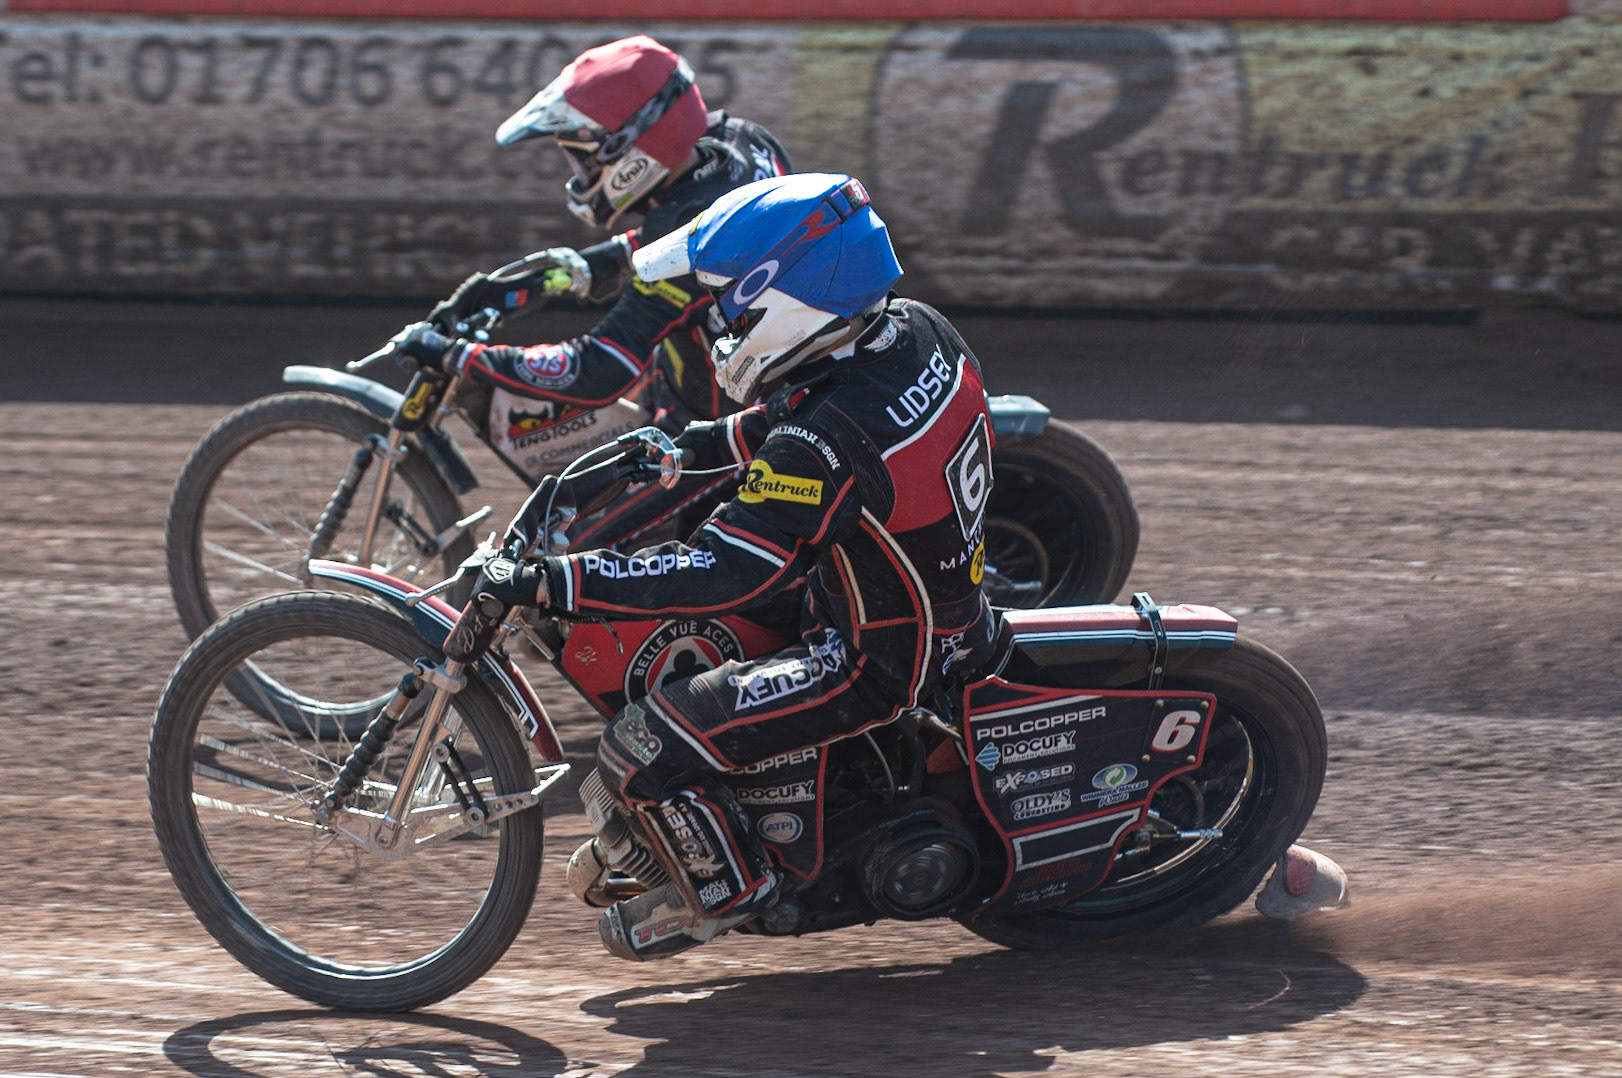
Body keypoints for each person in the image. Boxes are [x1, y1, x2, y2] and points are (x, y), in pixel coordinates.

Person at [468, 172, 999, 960]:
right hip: (937, 607)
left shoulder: (825, 440)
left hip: (872, 662)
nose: (722, 321)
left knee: (637, 744)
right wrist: (688, 449)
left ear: (790, 302)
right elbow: (802, 418)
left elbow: (725, 570)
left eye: (733, 307)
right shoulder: (913, 330)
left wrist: (560, 581)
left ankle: (738, 890)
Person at [390, 34, 791, 537]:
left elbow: (596, 369)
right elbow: (655, 252)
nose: (579, 175)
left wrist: (460, 357)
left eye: (583, 159)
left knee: (558, 541)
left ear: (633, 153)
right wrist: (543, 280)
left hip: (724, 438)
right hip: (758, 395)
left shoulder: (688, 228)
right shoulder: (741, 145)